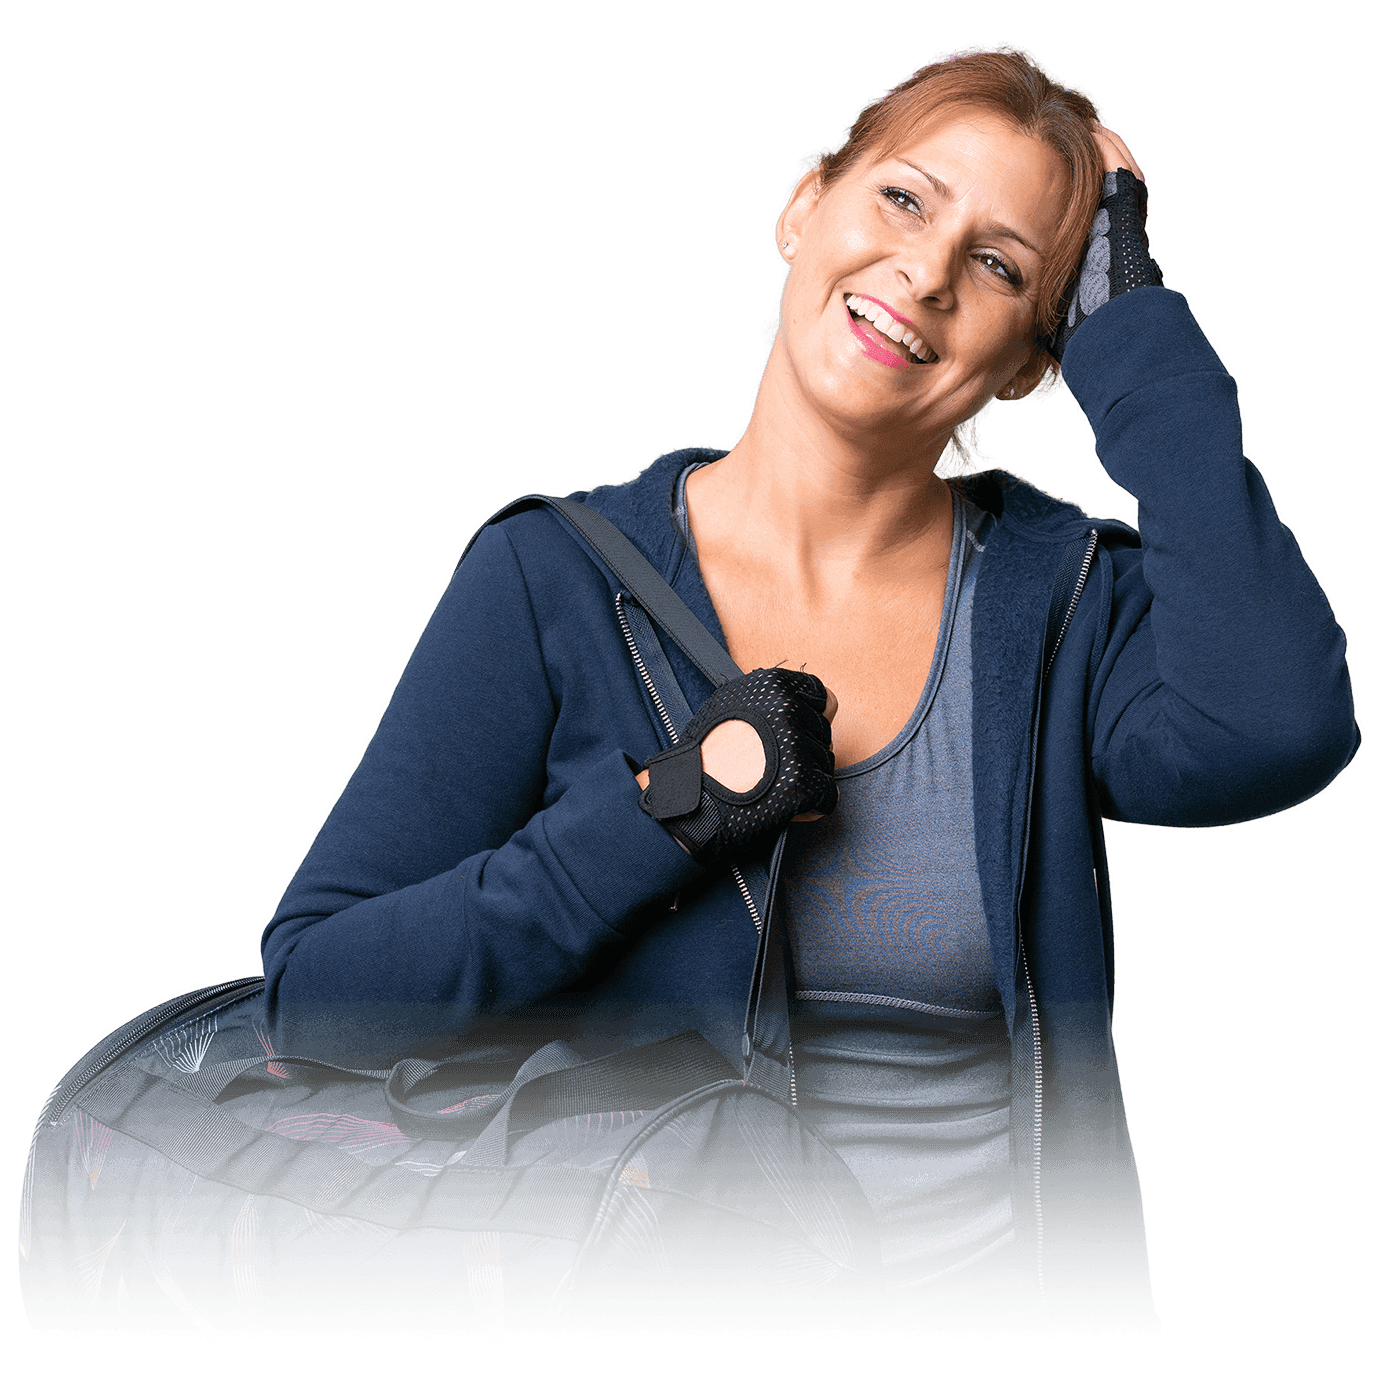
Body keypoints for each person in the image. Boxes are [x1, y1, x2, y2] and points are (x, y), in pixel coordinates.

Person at [260, 43, 1358, 1324]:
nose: (927, 274)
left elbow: (1278, 721)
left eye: (1001, 266)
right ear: (801, 207)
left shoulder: (1056, 602)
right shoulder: (551, 579)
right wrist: (661, 813)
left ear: (1029, 362)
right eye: (902, 199)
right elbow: (317, 995)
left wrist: (1133, 329)